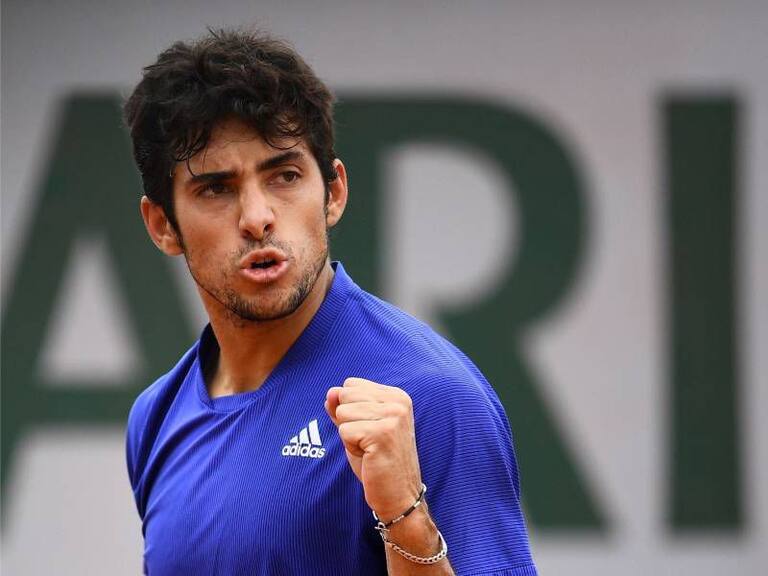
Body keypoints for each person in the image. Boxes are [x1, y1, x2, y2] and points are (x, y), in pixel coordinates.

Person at [123, 28, 537, 576]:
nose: (257, 217)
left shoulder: (431, 396)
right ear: (162, 226)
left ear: (334, 192)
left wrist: (406, 521)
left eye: (285, 176)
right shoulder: (155, 418)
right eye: (216, 189)